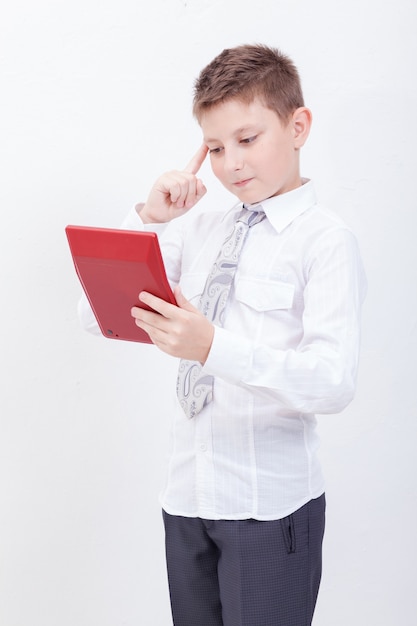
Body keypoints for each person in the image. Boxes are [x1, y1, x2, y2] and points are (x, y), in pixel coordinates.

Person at [79, 44, 366, 626]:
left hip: (270, 508)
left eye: (247, 138)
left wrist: (213, 347)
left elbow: (333, 383)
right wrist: (151, 220)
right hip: (187, 499)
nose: (231, 163)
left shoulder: (325, 240)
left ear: (298, 125)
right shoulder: (200, 227)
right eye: (213, 148)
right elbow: (101, 316)